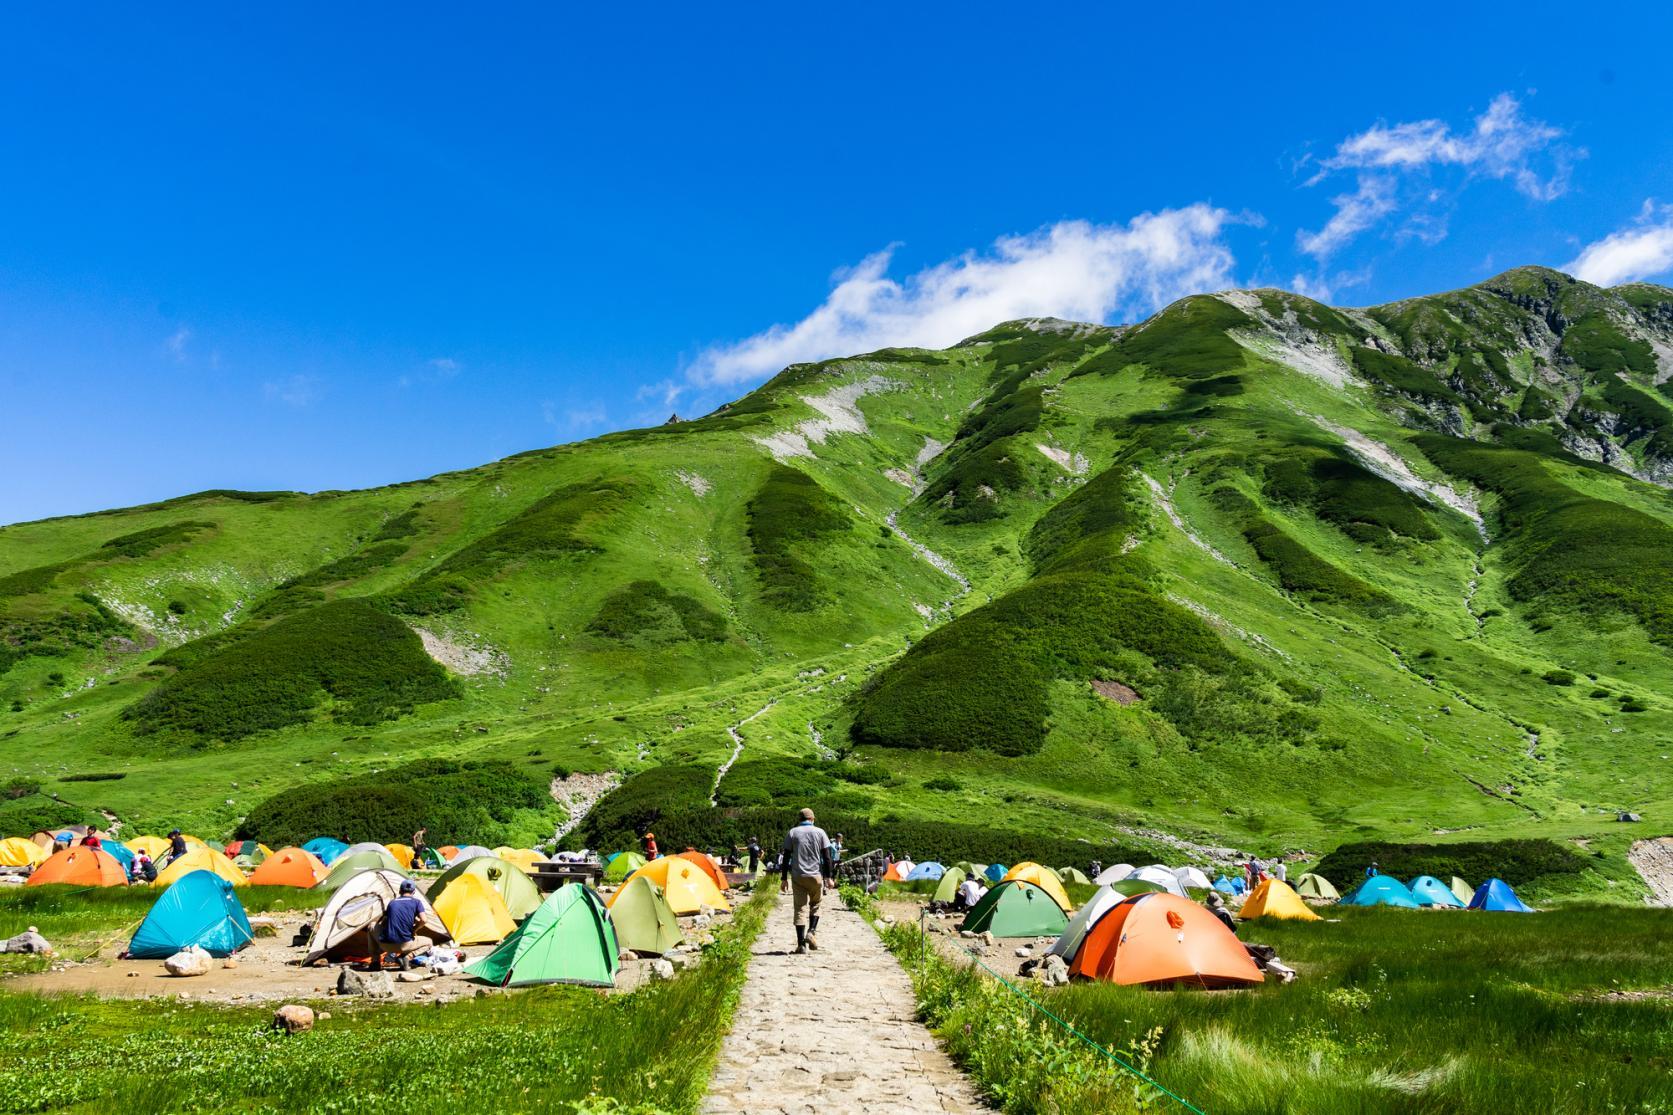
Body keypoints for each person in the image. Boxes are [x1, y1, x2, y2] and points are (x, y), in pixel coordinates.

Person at [779, 808, 833, 954]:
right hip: (815, 876)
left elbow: (786, 857)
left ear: (799, 819)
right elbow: (827, 857)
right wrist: (829, 878)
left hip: (798, 876)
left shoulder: (792, 832)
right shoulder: (820, 832)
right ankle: (812, 931)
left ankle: (801, 945)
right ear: (813, 819)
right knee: (816, 904)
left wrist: (784, 879)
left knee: (800, 908)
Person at [378, 881, 427, 971]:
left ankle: (374, 961)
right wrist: (414, 929)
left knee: (372, 926)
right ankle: (407, 957)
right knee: (429, 942)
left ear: (400, 891)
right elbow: (424, 920)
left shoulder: (392, 903)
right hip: (405, 944)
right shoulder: (417, 902)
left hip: (386, 946)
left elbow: (383, 922)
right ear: (414, 892)